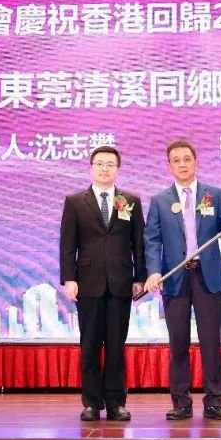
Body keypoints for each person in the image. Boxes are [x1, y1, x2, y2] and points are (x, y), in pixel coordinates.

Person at [144, 139, 221, 421]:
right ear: (169, 166)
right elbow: (152, 240)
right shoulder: (159, 201)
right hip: (175, 278)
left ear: (196, 163)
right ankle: (181, 402)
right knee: (178, 342)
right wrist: (153, 271)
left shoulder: (214, 195)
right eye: (176, 160)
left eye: (187, 159)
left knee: (210, 342)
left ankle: (215, 401)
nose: (182, 164)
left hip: (207, 276)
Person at [59, 146, 145, 421]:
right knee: (90, 344)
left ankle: (116, 403)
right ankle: (91, 403)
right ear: (91, 167)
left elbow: (138, 243)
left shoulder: (130, 200)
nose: (105, 169)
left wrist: (140, 277)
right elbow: (67, 244)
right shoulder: (75, 201)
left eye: (110, 164)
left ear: (117, 169)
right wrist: (69, 278)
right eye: (100, 164)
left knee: (117, 346)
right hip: (88, 282)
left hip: (121, 282)